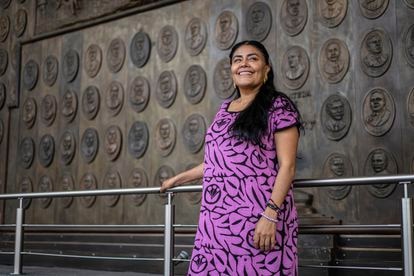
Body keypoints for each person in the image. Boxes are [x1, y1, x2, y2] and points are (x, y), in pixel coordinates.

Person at [161, 40, 301, 275]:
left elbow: (287, 166)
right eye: (238, 60)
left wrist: (270, 215)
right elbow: (216, 163)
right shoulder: (225, 109)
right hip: (215, 222)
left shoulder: (279, 106)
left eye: (253, 58)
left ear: (267, 68)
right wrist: (177, 180)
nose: (244, 64)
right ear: (231, 69)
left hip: (258, 220)